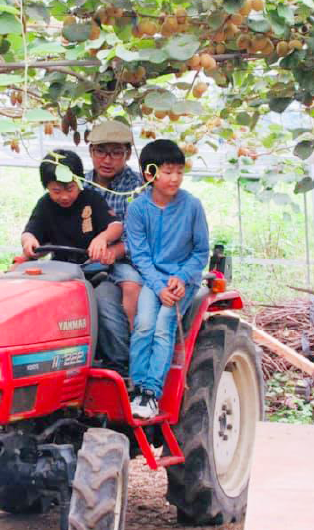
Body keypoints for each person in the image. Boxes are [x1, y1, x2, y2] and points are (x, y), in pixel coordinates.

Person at [125, 139, 209, 419]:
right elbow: (140, 255)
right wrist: (159, 286)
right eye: (167, 171)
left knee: (164, 325)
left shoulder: (192, 206)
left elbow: (201, 251)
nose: (175, 178)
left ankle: (151, 393)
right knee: (144, 324)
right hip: (153, 280)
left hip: (183, 280)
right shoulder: (137, 209)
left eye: (179, 172)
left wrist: (182, 278)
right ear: (149, 174)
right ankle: (135, 388)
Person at [85, 120, 144, 331]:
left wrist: (116, 250)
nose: (107, 160)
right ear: (91, 151)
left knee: (129, 284)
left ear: (128, 154)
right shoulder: (79, 185)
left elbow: (140, 236)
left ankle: (131, 341)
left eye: (116, 153)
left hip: (125, 262)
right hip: (82, 258)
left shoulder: (138, 188)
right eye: (100, 151)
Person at [21, 149, 123, 266]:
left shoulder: (92, 198)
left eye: (70, 189)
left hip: (92, 266)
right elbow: (29, 232)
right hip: (59, 267)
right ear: (46, 187)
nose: (64, 197)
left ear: (80, 182)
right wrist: (28, 241)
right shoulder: (45, 204)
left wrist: (103, 238)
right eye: (56, 191)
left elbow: (116, 226)